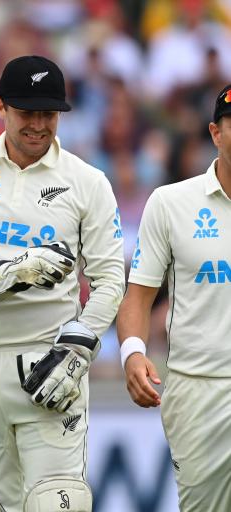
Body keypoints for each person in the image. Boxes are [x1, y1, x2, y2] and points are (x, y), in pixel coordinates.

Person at [0, 55, 125, 512]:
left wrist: (78, 347)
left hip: (50, 358)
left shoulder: (88, 182)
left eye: (49, 113)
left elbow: (110, 276)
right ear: (0, 107)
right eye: (27, 112)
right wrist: (10, 272)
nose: (39, 125)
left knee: (59, 501)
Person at [116, 84, 231, 511]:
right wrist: (132, 352)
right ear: (215, 134)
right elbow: (139, 294)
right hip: (198, 391)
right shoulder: (171, 203)